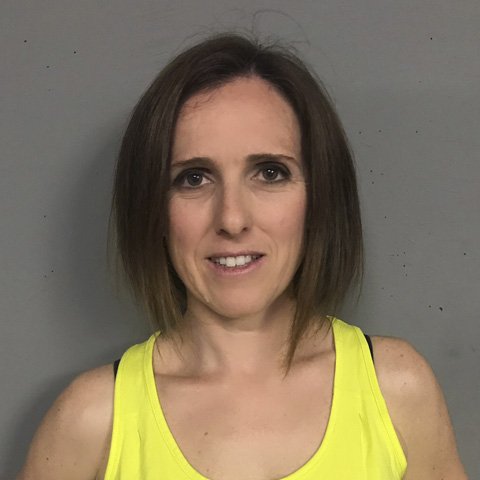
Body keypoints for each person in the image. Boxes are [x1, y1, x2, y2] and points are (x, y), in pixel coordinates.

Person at [18, 32, 467, 480]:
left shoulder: (397, 389)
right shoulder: (90, 421)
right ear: (152, 207)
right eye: (194, 178)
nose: (232, 219)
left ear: (320, 197)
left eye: (270, 173)